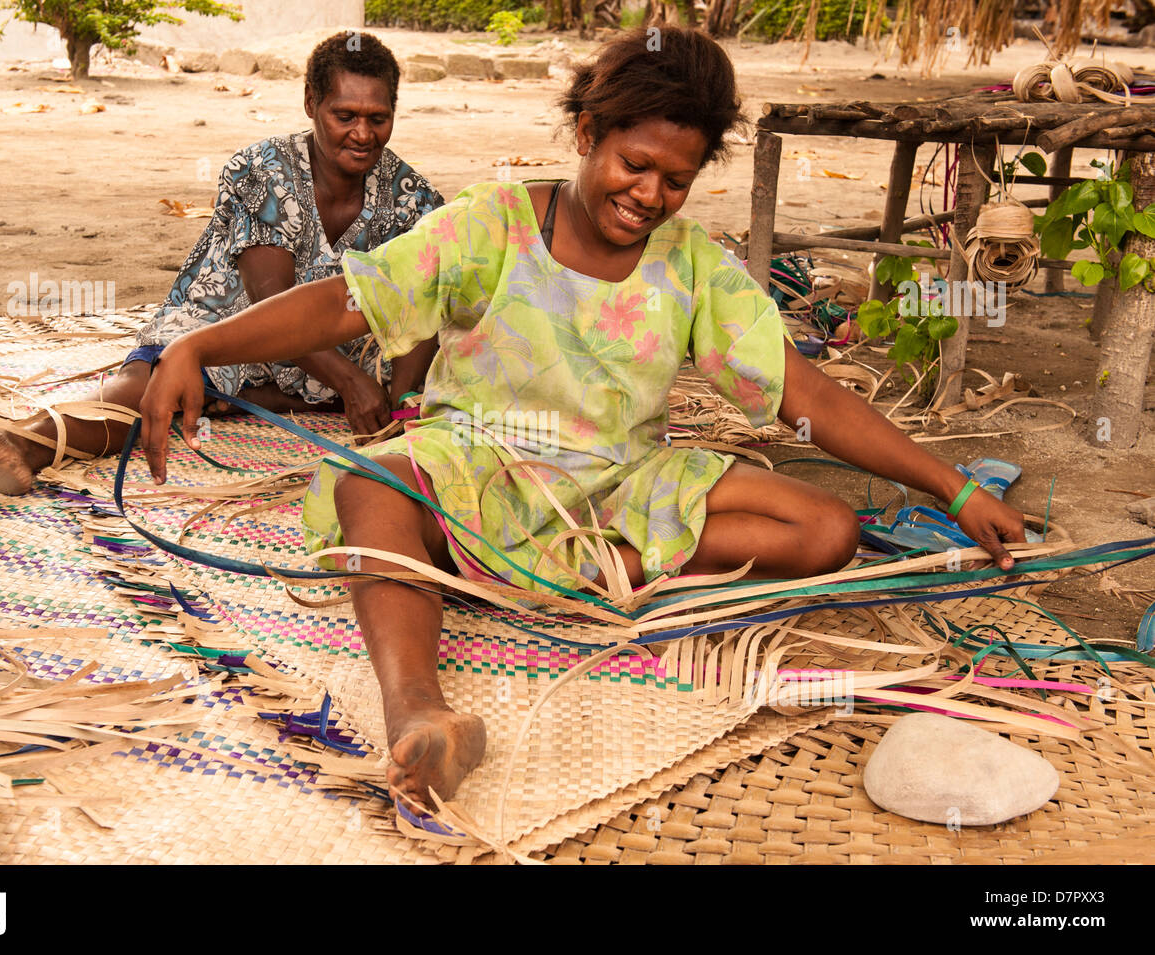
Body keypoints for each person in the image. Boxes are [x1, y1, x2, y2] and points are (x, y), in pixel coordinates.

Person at [67, 29, 1031, 812]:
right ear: (584, 130)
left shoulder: (691, 266)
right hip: (478, 461)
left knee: (827, 528)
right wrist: (197, 348)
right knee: (373, 484)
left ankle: (562, 570)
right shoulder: (488, 226)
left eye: (676, 180)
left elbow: (806, 396)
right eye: (633, 162)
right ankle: (419, 713)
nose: (648, 195)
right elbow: (341, 305)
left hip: (618, 484)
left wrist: (951, 486)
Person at [0, 31, 443, 495]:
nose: (363, 134)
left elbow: (428, 301)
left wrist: (401, 403)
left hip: (338, 345)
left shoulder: (415, 199)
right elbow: (270, 301)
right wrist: (351, 384)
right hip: (227, 322)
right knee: (151, 384)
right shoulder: (262, 168)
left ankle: (248, 396)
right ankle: (19, 444)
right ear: (310, 102)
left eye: (379, 118)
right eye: (344, 115)